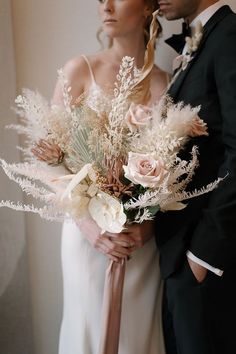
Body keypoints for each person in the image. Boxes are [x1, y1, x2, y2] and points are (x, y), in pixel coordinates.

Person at [33, 1, 169, 353]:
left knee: (137, 334)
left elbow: (171, 170)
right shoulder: (80, 69)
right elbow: (50, 162)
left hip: (139, 240)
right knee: (86, 328)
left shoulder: (164, 83)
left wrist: (147, 226)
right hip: (86, 236)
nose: (105, 6)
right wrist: (90, 228)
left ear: (148, 8)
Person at [153, 1, 236, 354]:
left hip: (207, 259)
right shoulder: (199, 39)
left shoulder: (230, 37)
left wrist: (202, 256)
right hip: (177, 254)